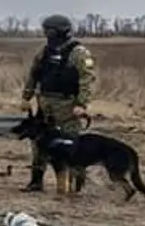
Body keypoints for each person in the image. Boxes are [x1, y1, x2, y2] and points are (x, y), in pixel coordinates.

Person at [20, 14, 96, 193]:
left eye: (49, 31)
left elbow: (87, 79)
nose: (47, 34)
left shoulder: (79, 53)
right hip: (45, 104)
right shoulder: (44, 52)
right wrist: (26, 97)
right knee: (39, 143)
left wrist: (81, 104)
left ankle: (73, 184)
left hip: (68, 105)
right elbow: (34, 74)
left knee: (71, 144)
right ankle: (36, 181)